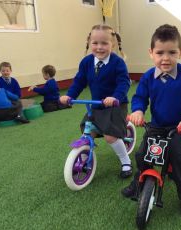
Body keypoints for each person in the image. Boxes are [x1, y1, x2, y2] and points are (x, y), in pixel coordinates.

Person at [121, 24, 181, 217]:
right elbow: (140, 97)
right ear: (151, 53)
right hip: (157, 126)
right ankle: (138, 183)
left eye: (172, 52)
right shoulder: (148, 77)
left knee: (178, 156)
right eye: (160, 52)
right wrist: (138, 111)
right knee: (142, 154)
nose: (165, 58)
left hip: (180, 128)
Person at [59, 24, 132, 178]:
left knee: (110, 136)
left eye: (104, 43)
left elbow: (124, 82)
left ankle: (126, 161)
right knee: (88, 131)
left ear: (112, 44)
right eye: (95, 43)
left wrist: (115, 97)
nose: (99, 47)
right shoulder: (86, 62)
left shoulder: (117, 62)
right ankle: (83, 160)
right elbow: (79, 81)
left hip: (116, 104)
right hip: (97, 104)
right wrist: (70, 96)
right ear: (89, 43)